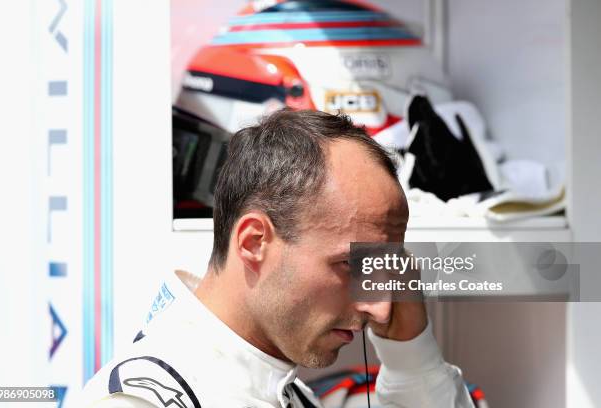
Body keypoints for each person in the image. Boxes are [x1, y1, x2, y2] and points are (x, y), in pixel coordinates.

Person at [79, 109, 474, 407]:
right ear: (254, 243)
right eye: (351, 265)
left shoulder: (286, 392)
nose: (382, 309)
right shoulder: (143, 400)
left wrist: (411, 356)